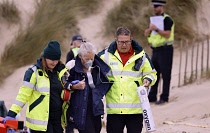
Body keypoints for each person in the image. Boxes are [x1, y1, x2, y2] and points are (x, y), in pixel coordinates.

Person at [1, 40, 73, 132]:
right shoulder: (33, 72)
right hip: (40, 123)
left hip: (57, 121)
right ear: (45, 57)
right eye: (51, 59)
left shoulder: (61, 72)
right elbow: (23, 95)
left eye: (56, 59)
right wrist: (11, 114)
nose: (54, 62)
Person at [97, 27, 157, 133]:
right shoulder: (104, 56)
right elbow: (91, 69)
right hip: (114, 111)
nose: (124, 45)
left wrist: (148, 79)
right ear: (116, 40)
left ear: (131, 39)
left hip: (135, 110)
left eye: (127, 42)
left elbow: (152, 73)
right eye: (121, 42)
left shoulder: (141, 56)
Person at [66, 42, 113, 133]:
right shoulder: (72, 66)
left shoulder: (98, 66)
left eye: (92, 58)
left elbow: (107, 81)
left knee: (96, 130)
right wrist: (74, 86)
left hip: (96, 109)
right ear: (80, 56)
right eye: (87, 59)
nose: (90, 61)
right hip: (80, 110)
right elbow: (63, 83)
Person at [144, 0, 174, 105]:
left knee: (165, 74)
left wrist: (156, 29)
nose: (154, 8)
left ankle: (164, 97)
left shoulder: (167, 19)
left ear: (162, 7)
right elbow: (147, 33)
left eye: (156, 6)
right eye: (154, 6)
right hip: (155, 50)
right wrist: (149, 31)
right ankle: (152, 96)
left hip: (165, 49)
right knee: (154, 73)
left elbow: (167, 34)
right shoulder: (153, 21)